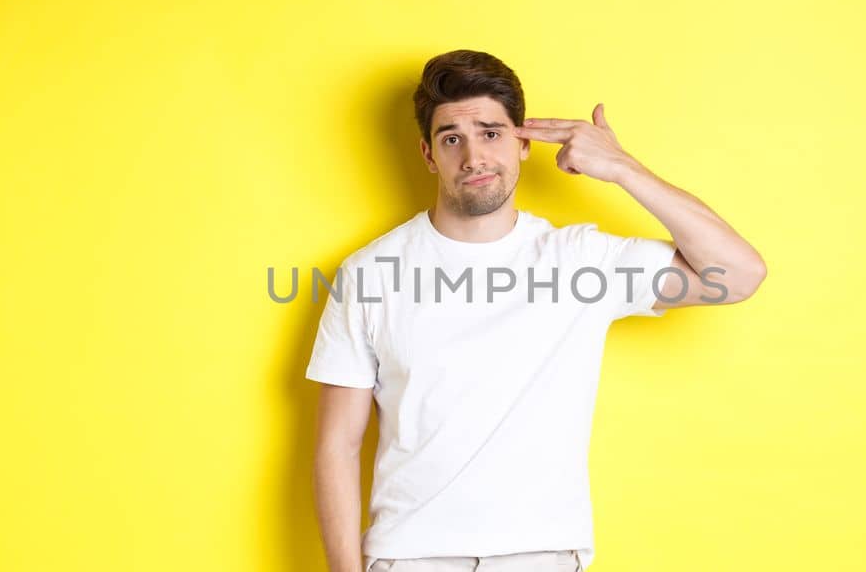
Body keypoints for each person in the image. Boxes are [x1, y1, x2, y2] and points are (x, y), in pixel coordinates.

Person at [308, 49, 766, 572]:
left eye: (491, 132)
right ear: (428, 154)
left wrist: (623, 168)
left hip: (541, 555)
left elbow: (739, 274)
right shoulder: (370, 273)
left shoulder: (581, 263)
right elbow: (337, 447)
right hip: (412, 557)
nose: (474, 157)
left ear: (523, 142)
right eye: (452, 138)